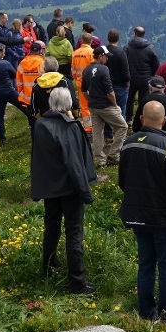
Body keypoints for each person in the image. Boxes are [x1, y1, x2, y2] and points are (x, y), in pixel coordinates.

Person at [119, 99, 166, 324]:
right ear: (164, 121)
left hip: (138, 216)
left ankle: (145, 312)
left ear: (142, 119)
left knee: (145, 264)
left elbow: (123, 182)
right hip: (165, 220)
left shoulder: (128, 144)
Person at [31, 86, 97, 294]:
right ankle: (77, 281)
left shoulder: (40, 125)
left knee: (51, 228)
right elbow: (74, 162)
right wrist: (85, 192)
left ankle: (49, 267)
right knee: (73, 232)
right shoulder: (71, 127)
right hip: (70, 188)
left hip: (50, 187)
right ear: (68, 104)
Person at [84, 44, 129, 166]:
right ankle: (114, 155)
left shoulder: (86, 70)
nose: (107, 59)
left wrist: (90, 100)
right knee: (123, 127)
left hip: (93, 106)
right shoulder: (104, 69)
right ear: (100, 56)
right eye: (106, 56)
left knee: (97, 132)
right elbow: (110, 91)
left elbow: (83, 90)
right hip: (105, 105)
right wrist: (114, 105)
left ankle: (100, 159)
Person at [0, 43, 32, 142]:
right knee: (24, 107)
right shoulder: (5, 63)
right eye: (3, 52)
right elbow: (14, 74)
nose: (4, 53)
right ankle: (34, 125)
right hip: (8, 90)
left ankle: (2, 138)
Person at [124, 26, 161, 122]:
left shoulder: (127, 47)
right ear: (143, 35)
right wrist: (151, 75)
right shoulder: (150, 48)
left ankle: (129, 119)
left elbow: (124, 63)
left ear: (135, 34)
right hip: (145, 79)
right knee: (143, 101)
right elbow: (156, 64)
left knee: (129, 100)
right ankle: (141, 120)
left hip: (131, 78)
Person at [70, 33, 96, 134]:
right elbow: (94, 68)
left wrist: (76, 78)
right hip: (91, 83)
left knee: (84, 106)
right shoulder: (92, 52)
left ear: (81, 41)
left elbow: (73, 70)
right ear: (91, 41)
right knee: (94, 104)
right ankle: (97, 126)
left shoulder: (75, 53)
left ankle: (88, 127)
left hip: (80, 82)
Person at [105, 28, 130, 119]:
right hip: (119, 86)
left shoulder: (103, 52)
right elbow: (125, 72)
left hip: (105, 86)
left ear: (108, 38)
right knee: (120, 110)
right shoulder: (121, 53)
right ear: (118, 39)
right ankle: (120, 130)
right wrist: (127, 84)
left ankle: (108, 132)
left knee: (107, 110)